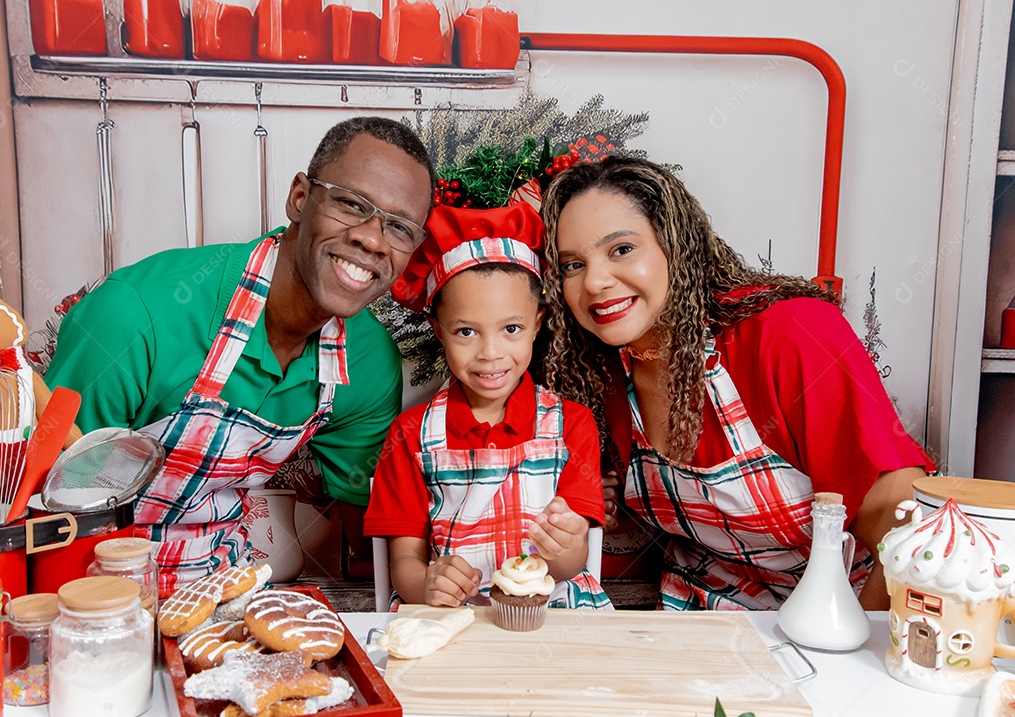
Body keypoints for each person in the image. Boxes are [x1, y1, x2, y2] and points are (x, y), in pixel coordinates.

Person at [46, 116, 434, 596]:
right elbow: (53, 518)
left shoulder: (369, 359)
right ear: (299, 198)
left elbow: (365, 532)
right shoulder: (135, 315)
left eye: (399, 228)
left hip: (228, 592)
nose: (372, 240)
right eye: (352, 204)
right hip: (97, 597)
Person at [538, 156, 933, 611]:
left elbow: (902, 520)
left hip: (845, 611)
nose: (596, 282)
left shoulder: (789, 332)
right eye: (572, 265)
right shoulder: (601, 371)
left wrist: (858, 651)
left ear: (677, 245)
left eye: (622, 249)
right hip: (709, 619)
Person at [364, 203, 611, 609]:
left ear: (537, 323)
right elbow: (405, 562)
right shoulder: (412, 434)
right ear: (437, 331)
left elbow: (572, 563)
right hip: (457, 621)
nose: (490, 353)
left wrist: (563, 547)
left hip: (555, 616)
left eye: (511, 329)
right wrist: (427, 583)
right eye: (466, 332)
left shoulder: (571, 424)